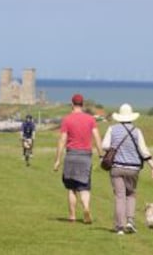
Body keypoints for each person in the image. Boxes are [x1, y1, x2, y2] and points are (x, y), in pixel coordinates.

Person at [102, 103, 153, 235]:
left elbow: (104, 145)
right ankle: (130, 221)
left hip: (116, 167)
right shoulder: (136, 131)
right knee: (131, 194)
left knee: (119, 196)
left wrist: (114, 147)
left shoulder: (112, 129)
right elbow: (144, 151)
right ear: (131, 117)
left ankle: (120, 227)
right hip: (133, 169)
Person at [53, 94, 103, 224]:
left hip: (71, 155)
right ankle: (86, 207)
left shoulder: (67, 120)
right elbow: (97, 137)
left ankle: (72, 216)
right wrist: (101, 154)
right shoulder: (90, 119)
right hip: (85, 156)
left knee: (72, 188)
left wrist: (57, 159)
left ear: (72, 104)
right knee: (84, 187)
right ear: (83, 104)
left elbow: (62, 140)